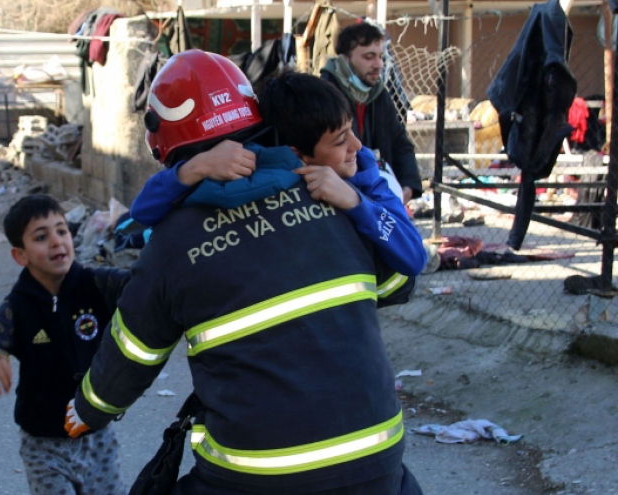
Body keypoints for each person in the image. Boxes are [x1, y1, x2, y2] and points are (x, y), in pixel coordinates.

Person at [64, 50, 423, 494]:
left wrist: (87, 410)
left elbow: (134, 352)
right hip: (377, 466)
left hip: (253, 477)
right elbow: (398, 283)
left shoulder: (172, 243)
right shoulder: (333, 195)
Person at [129, 70, 427, 277]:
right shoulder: (262, 174)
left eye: (351, 131)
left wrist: (355, 202)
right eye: (340, 140)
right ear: (298, 154)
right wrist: (199, 166)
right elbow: (143, 211)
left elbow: (415, 258)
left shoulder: (364, 173)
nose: (358, 145)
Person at [0, 194, 130, 495]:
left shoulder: (97, 284)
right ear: (20, 255)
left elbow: (142, 286)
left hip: (96, 437)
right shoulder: (18, 307)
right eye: (41, 236)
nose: (56, 242)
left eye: (62, 231)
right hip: (43, 445)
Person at [321, 22, 422, 204]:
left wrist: (409, 183)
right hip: (339, 197)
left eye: (380, 57)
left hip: (376, 193)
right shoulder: (324, 94)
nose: (378, 64)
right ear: (345, 59)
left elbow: (399, 142)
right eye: (369, 57)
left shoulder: (379, 94)